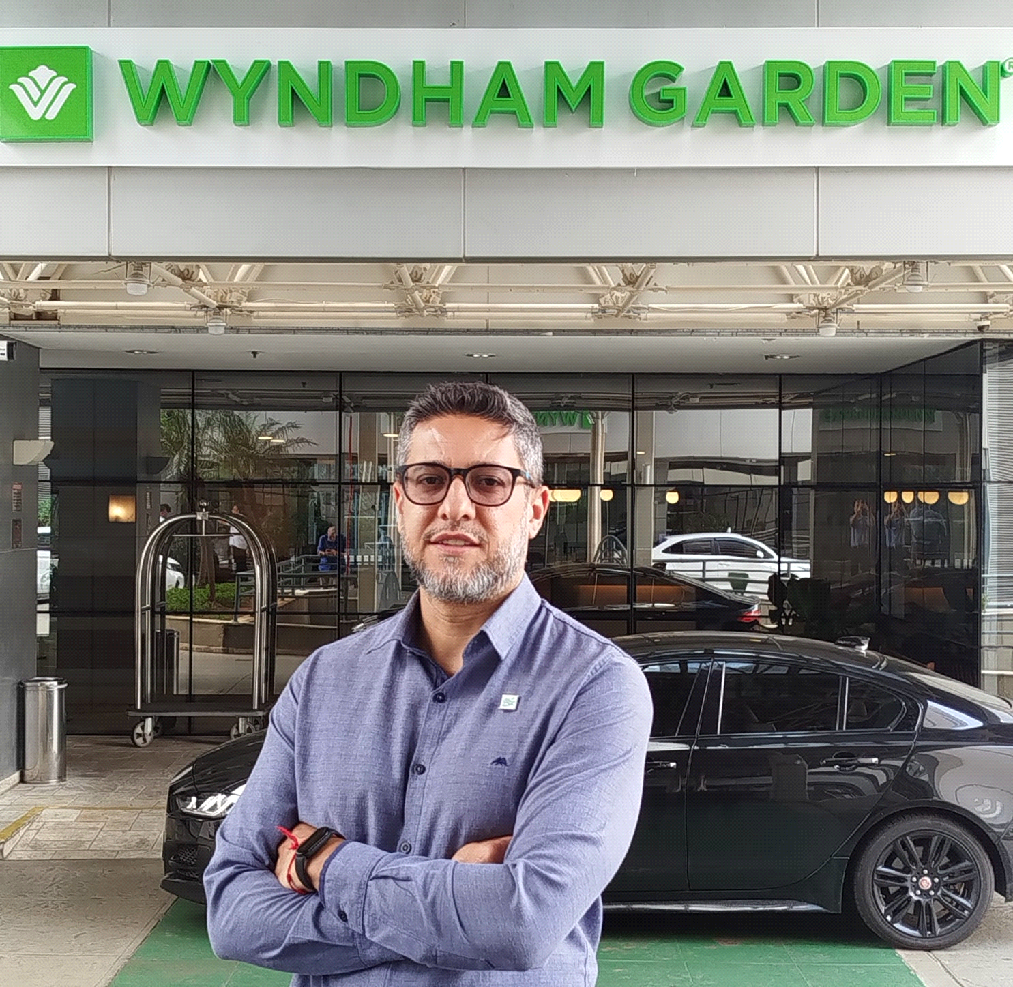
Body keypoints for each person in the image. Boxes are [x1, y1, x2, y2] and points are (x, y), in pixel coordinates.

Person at [204, 381, 653, 986]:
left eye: (489, 482)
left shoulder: (595, 686)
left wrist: (328, 862)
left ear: (535, 509)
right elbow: (233, 911)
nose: (455, 507)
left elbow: (520, 923)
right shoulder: (324, 680)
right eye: (430, 479)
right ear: (400, 502)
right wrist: (453, 912)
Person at [316, 524, 347, 598]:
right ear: (328, 533)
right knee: (324, 588)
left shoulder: (341, 539)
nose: (332, 536)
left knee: (337, 587)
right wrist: (324, 553)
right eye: (330, 534)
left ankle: (338, 598)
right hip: (325, 566)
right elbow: (319, 551)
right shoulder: (323, 538)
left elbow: (347, 553)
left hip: (337, 567)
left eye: (334, 534)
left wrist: (336, 552)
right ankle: (324, 599)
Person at [228, 504, 248, 573]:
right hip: (236, 543)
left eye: (235, 510)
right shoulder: (234, 518)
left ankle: (242, 574)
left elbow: (227, 522)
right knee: (237, 560)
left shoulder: (240, 518)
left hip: (239, 544)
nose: (233, 511)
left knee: (240, 561)